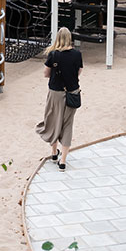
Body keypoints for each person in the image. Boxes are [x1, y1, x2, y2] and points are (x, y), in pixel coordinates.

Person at [36, 27, 83, 172]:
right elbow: (79, 71)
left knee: (53, 120)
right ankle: (63, 161)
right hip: (72, 92)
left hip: (56, 92)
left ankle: (53, 153)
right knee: (67, 124)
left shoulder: (54, 54)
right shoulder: (77, 54)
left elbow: (46, 73)